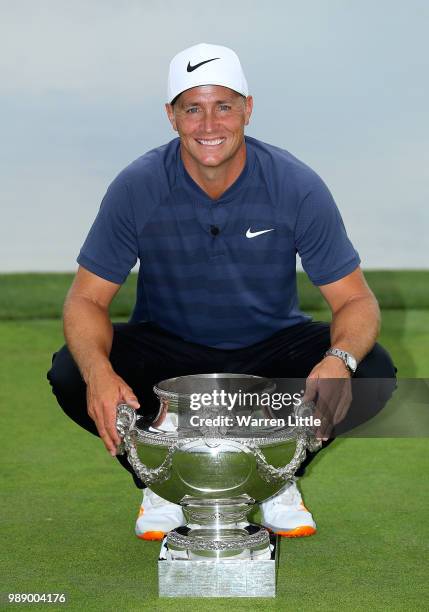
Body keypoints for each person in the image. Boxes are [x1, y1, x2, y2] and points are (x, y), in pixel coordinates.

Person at [47, 43, 396, 541]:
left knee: (371, 370)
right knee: (73, 371)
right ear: (171, 116)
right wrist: (99, 372)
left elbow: (355, 301)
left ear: (248, 109)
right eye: (193, 108)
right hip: (170, 354)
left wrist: (338, 360)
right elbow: (86, 300)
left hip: (268, 354)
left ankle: (275, 478)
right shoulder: (137, 185)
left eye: (224, 106)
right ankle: (162, 482)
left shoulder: (296, 185)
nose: (209, 124)